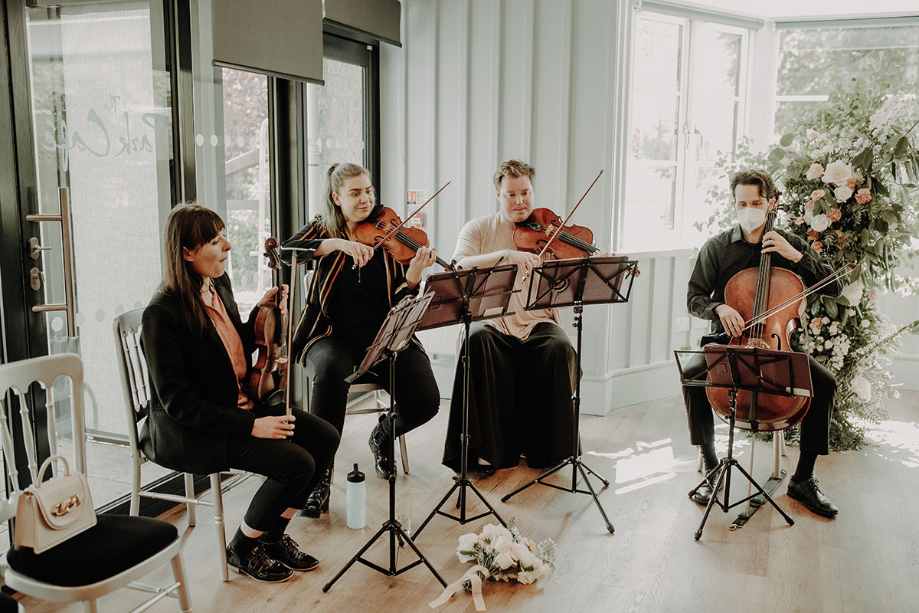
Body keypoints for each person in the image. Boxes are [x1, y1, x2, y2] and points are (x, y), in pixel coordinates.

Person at [141, 204, 340, 583]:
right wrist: (252, 425)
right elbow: (179, 404)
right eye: (215, 241)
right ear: (186, 252)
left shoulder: (217, 284)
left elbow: (229, 345)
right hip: (196, 428)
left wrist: (262, 316)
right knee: (298, 463)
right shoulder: (161, 315)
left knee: (325, 439)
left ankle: (271, 538)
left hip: (237, 407)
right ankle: (242, 548)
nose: (228, 246)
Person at [282, 162, 441, 516]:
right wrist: (336, 244)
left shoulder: (390, 236)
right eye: (355, 193)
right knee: (330, 372)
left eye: (368, 190)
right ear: (337, 198)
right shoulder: (323, 229)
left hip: (382, 335)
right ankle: (319, 473)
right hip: (329, 335)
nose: (366, 198)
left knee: (427, 399)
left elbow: (399, 300)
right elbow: (286, 253)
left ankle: (383, 433)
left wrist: (413, 277)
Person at [683, 168, 840, 518]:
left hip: (776, 345)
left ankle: (803, 479)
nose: (749, 209)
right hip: (727, 343)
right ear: (734, 204)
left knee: (825, 384)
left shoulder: (788, 244)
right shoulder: (717, 248)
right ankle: (711, 465)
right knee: (691, 374)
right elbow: (693, 298)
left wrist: (797, 256)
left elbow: (835, 288)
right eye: (742, 203)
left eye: (756, 202)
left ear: (770, 203)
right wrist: (718, 306)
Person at [441, 159, 578, 476]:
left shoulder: (549, 233)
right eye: (511, 194)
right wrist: (507, 256)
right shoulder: (478, 229)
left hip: (536, 321)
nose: (520, 201)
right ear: (498, 195)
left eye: (526, 193)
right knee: (475, 341)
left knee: (558, 347)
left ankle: (548, 450)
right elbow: (458, 267)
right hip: (492, 321)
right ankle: (484, 452)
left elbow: (571, 279)